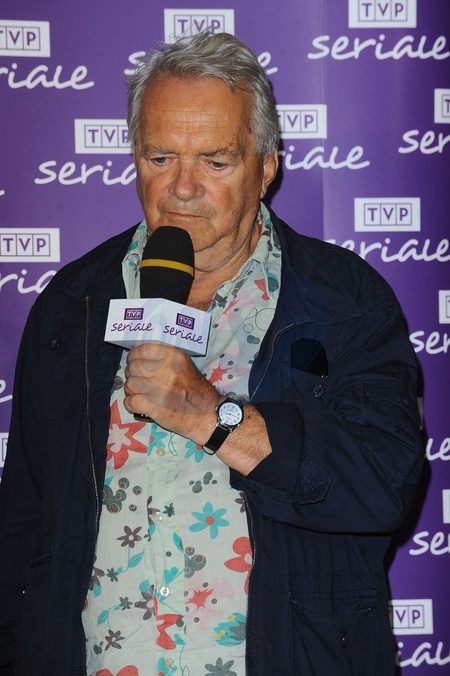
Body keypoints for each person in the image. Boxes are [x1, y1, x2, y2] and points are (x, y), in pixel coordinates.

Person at [0, 30, 423, 676]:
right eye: (160, 157)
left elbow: (383, 485)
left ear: (266, 166)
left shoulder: (346, 303)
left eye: (215, 162)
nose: (182, 187)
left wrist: (211, 415)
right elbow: (23, 532)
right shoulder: (72, 305)